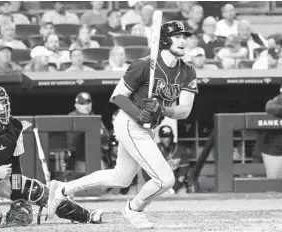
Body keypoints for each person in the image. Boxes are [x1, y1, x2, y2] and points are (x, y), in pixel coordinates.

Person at [48, 21, 198, 229]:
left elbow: (184, 111)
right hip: (128, 121)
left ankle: (62, 189)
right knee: (165, 179)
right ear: (164, 40)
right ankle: (134, 209)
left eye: (184, 36)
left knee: (121, 178)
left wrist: (160, 110)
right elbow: (117, 96)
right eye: (177, 36)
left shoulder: (187, 71)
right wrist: (140, 114)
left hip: (147, 128)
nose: (183, 40)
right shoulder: (144, 64)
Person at [0, 85, 102, 230]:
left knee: (38, 191)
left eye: (3, 103)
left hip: (1, 177)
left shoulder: (15, 127)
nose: (1, 107)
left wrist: (17, 197)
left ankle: (86, 215)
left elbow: (15, 165)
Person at [261, 82, 282, 179]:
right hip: (276, 151)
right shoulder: (273, 102)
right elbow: (272, 109)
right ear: (281, 95)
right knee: (274, 185)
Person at [142, 126, 190, 195]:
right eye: (163, 137)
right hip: (157, 186)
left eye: (168, 137)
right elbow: (146, 171)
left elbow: (182, 173)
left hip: (176, 185)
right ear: (160, 138)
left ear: (172, 137)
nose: (166, 140)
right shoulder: (153, 149)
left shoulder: (181, 150)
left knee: (183, 193)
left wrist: (174, 189)